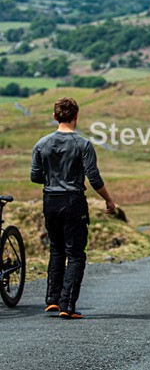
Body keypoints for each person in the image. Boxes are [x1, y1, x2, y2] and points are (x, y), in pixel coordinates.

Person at [30, 97, 116, 318]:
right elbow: (94, 178)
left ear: (54, 116)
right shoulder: (83, 144)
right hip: (73, 201)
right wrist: (108, 199)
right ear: (76, 116)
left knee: (56, 248)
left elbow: (35, 176)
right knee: (76, 253)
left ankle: (52, 299)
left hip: (50, 200)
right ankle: (67, 305)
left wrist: (53, 178)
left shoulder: (41, 143)